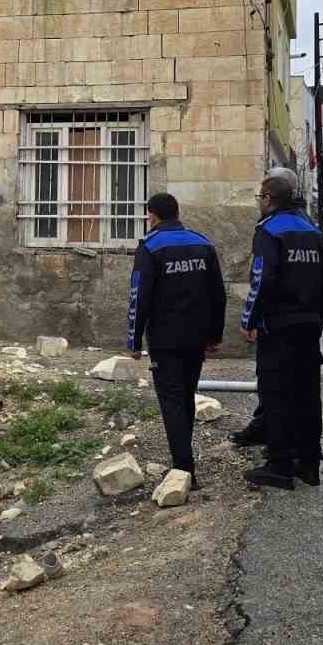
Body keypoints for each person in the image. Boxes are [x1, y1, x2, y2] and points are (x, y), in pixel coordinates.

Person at [240, 168, 323, 490]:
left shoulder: (269, 231)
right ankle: (309, 464)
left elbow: (262, 279)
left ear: (268, 200)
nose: (259, 203)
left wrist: (249, 321)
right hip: (309, 328)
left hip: (279, 328)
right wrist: (316, 318)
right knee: (308, 396)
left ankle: (279, 465)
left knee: (277, 394)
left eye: (260, 198)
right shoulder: (311, 231)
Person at [127, 193, 226, 489]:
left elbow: (139, 296)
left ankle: (184, 468)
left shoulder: (150, 246)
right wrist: (215, 335)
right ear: (177, 213)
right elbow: (217, 294)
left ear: (153, 216)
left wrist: (133, 340)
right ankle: (184, 460)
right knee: (186, 396)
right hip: (196, 337)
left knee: (171, 400)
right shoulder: (202, 243)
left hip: (166, 339)